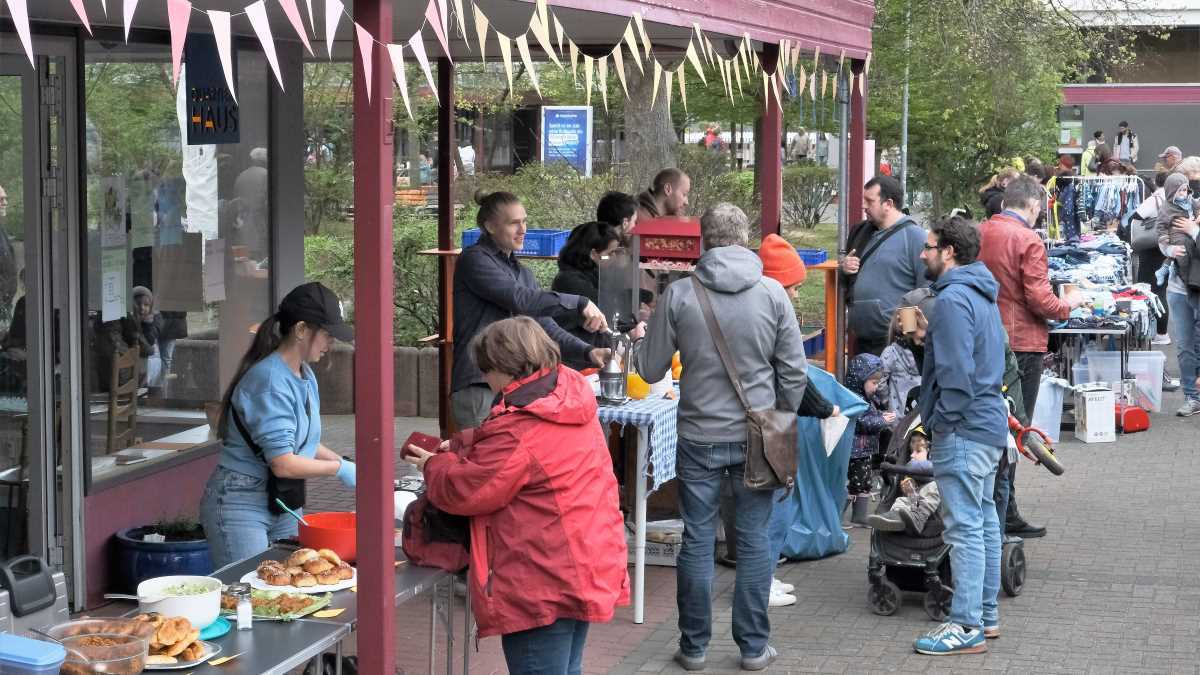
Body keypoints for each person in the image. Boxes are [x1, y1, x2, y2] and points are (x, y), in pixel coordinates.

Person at [634, 203, 809, 672]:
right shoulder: (773, 294)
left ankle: (693, 648)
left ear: (703, 241)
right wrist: (779, 418)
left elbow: (650, 369)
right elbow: (795, 372)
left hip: (698, 437)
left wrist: (639, 340)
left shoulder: (679, 295)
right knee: (751, 540)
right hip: (758, 437)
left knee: (696, 540)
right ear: (744, 238)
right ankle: (753, 648)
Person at [403, 317, 629, 675]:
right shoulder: (564, 391)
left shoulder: (522, 426)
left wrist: (435, 464)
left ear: (504, 369)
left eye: (487, 371)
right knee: (568, 667)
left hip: (544, 575)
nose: (486, 380)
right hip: (585, 558)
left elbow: (467, 490)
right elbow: (513, 445)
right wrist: (463, 442)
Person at [199, 282, 357, 569]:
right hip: (241, 502)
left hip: (282, 499)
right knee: (254, 596)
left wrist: (347, 464)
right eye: (326, 334)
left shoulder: (303, 374)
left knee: (290, 588)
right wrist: (339, 469)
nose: (331, 342)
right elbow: (283, 462)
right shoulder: (270, 380)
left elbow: (303, 441)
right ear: (300, 330)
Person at [913, 216, 1008, 655]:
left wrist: (940, 423)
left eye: (929, 246)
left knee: (966, 528)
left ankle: (967, 623)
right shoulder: (981, 293)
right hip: (987, 425)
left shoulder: (952, 300)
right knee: (983, 520)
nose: (923, 254)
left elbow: (956, 375)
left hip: (965, 428)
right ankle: (984, 617)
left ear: (949, 251)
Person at [977, 176, 1087, 538]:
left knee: (992, 425)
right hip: (1021, 343)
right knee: (1016, 429)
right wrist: (1068, 305)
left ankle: (995, 508)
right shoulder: (1029, 240)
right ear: (1035, 205)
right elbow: (1040, 300)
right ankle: (1004, 514)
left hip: (986, 338)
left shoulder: (983, 231)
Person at [755, 234, 839, 608]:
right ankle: (761, 581)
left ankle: (762, 576)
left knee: (758, 507)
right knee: (776, 502)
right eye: (793, 286)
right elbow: (794, 376)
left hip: (746, 418)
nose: (795, 295)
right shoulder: (775, 314)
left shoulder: (750, 307)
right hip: (771, 422)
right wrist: (825, 409)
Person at [840, 176, 929, 356]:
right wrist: (844, 269)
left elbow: (924, 291)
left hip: (895, 344)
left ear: (888, 204)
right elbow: (846, 282)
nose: (864, 206)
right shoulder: (861, 232)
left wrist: (907, 334)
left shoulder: (915, 237)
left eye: (870, 201)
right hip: (862, 340)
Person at [1156, 169, 1200, 416]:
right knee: (1184, 346)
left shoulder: (1195, 207)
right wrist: (1168, 249)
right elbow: (1160, 235)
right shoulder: (1168, 209)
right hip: (1178, 286)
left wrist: (1193, 230)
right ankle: (1191, 397)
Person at [551, 222, 623, 349]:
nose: (614, 258)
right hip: (578, 356)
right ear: (594, 254)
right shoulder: (570, 281)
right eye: (611, 253)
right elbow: (607, 308)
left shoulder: (594, 275)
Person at [844, 354, 895, 526]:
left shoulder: (867, 400)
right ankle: (837, 514)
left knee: (865, 482)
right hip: (855, 451)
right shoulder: (854, 401)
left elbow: (869, 417)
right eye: (873, 383)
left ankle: (859, 516)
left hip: (864, 450)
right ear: (860, 380)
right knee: (855, 482)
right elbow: (861, 422)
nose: (876, 387)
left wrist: (881, 415)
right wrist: (882, 421)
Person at [866, 428, 941, 535]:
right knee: (901, 500)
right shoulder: (910, 475)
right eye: (911, 452)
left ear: (929, 451)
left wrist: (895, 467)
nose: (912, 455)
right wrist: (910, 492)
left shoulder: (935, 467)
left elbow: (925, 470)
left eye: (918, 451)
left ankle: (917, 520)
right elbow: (915, 501)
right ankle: (895, 518)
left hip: (933, 513)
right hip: (914, 507)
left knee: (934, 486)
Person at [1128, 171, 1171, 344]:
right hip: (1165, 248)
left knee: (1146, 288)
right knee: (1160, 290)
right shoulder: (1173, 198)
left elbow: (1135, 217)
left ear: (1156, 182)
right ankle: (1161, 332)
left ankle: (1155, 333)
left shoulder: (1155, 199)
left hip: (1151, 248)